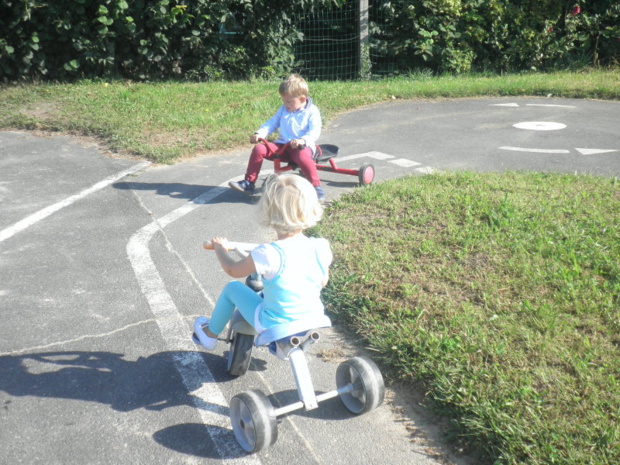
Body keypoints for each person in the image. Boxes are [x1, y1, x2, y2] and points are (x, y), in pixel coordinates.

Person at [193, 173, 333, 351]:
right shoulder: (320, 246)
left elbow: (232, 269)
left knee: (232, 288)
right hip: (312, 317)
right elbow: (322, 281)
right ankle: (283, 343)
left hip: (273, 323)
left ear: (268, 210)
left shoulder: (268, 253)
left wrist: (220, 249)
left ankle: (210, 334)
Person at [229, 74, 325, 201]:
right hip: (283, 146)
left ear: (302, 99)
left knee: (303, 157)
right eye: (284, 100)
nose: (285, 104)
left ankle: (316, 187)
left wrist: (302, 140)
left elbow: (314, 131)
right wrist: (259, 134)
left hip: (302, 147)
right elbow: (272, 123)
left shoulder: (312, 111)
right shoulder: (284, 109)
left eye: (289, 101)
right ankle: (248, 183)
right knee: (259, 149)